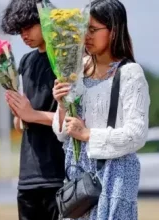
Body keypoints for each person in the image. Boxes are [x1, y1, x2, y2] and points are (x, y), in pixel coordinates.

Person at [52, 0, 150, 219]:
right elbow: (63, 134)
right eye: (83, 29)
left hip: (116, 176)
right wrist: (60, 104)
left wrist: (87, 134)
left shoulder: (130, 73)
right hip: (80, 176)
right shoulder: (76, 69)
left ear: (114, 30)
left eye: (93, 30)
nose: (86, 36)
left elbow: (137, 135)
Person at [0, 1, 65, 219]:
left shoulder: (66, 58)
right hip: (28, 175)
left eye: (28, 27)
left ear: (45, 21)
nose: (23, 35)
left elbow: (75, 120)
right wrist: (18, 114)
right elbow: (21, 125)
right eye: (19, 31)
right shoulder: (26, 61)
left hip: (59, 174)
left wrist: (31, 115)